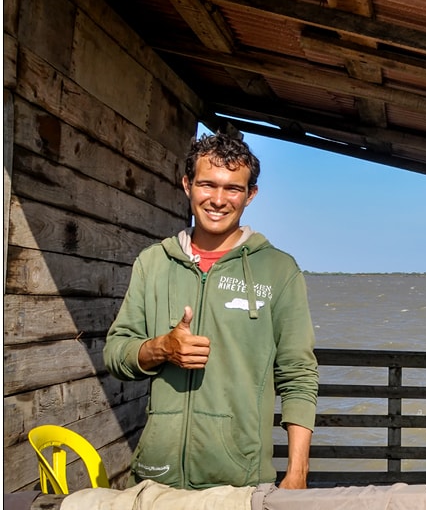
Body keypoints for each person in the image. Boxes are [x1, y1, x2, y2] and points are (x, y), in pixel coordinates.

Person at [104, 133, 318, 490]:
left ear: (251, 195)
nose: (218, 200)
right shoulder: (152, 263)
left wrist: (297, 473)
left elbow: (298, 375)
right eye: (207, 184)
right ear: (187, 185)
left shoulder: (279, 270)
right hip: (157, 479)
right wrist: (161, 348)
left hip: (240, 482)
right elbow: (115, 353)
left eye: (233, 189)